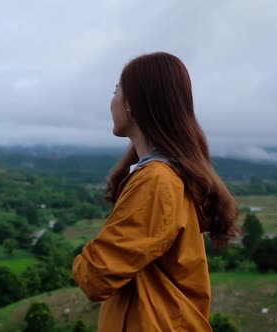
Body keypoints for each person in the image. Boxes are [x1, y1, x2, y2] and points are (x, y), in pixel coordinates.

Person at [72, 52, 240, 331]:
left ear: (133, 105)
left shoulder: (156, 181)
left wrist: (81, 261)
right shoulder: (168, 175)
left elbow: (96, 275)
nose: (111, 100)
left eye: (116, 90)